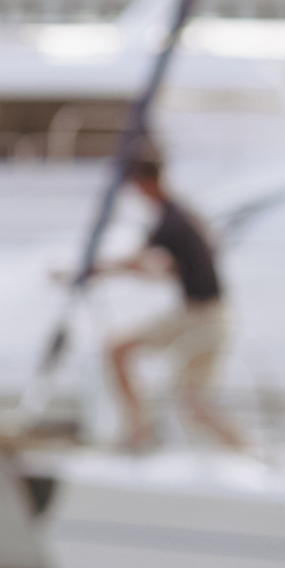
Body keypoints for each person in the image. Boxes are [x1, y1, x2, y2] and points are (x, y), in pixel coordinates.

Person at [95, 151, 245, 453]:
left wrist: (94, 270)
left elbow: (142, 263)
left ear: (141, 183)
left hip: (202, 318)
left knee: (119, 351)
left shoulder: (170, 221)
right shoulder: (182, 214)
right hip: (206, 314)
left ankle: (140, 428)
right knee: (193, 402)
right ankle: (245, 451)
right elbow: (170, 267)